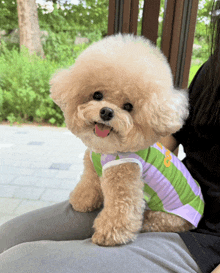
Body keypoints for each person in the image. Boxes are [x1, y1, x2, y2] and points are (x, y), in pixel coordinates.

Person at [0, 1, 220, 273]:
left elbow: (125, 198)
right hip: (172, 191)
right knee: (6, 237)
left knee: (16, 264)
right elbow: (171, 137)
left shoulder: (126, 162)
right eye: (97, 96)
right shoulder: (214, 68)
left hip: (188, 224)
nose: (106, 110)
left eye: (128, 107)